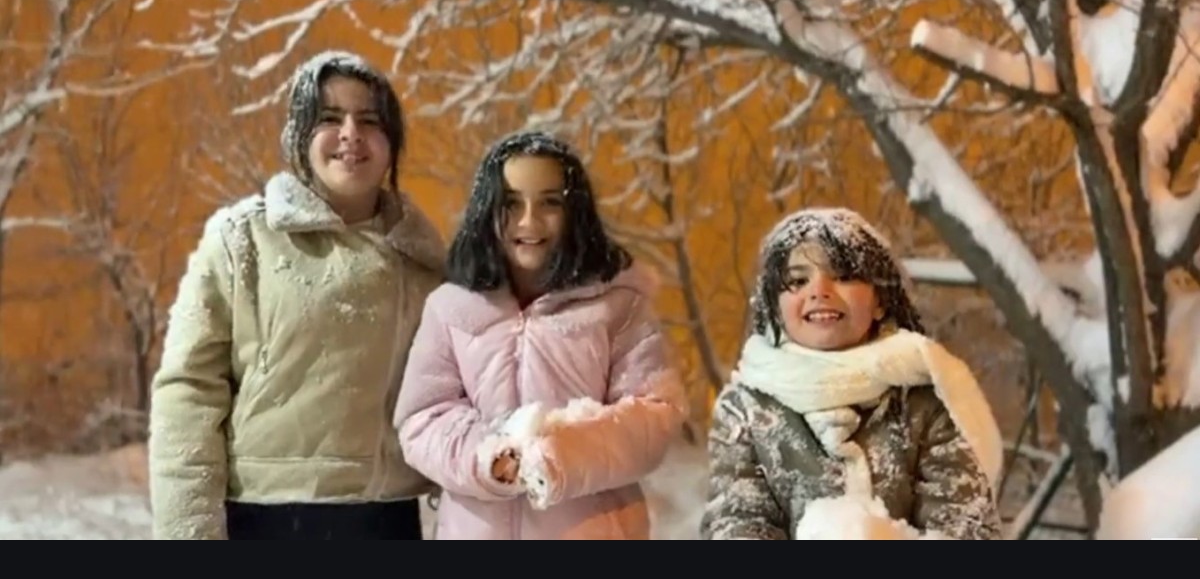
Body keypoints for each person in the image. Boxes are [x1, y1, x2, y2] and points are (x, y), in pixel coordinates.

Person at [148, 50, 445, 540]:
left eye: (369, 120)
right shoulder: (242, 240)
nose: (351, 133)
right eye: (330, 118)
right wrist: (189, 533)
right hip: (264, 518)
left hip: (385, 519)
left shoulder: (424, 262)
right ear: (299, 136)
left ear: (392, 144)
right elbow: (189, 391)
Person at [393, 129, 688, 540]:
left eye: (550, 202)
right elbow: (422, 420)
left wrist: (559, 452)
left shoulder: (618, 307)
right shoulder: (449, 308)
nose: (528, 221)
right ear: (486, 210)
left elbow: (652, 416)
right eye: (511, 203)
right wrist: (488, 458)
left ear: (575, 212)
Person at [700, 207, 1004, 540]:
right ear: (775, 306)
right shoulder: (745, 408)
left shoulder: (926, 400)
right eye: (798, 280)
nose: (819, 291)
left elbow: (965, 527)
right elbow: (737, 522)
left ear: (880, 301)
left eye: (843, 276)